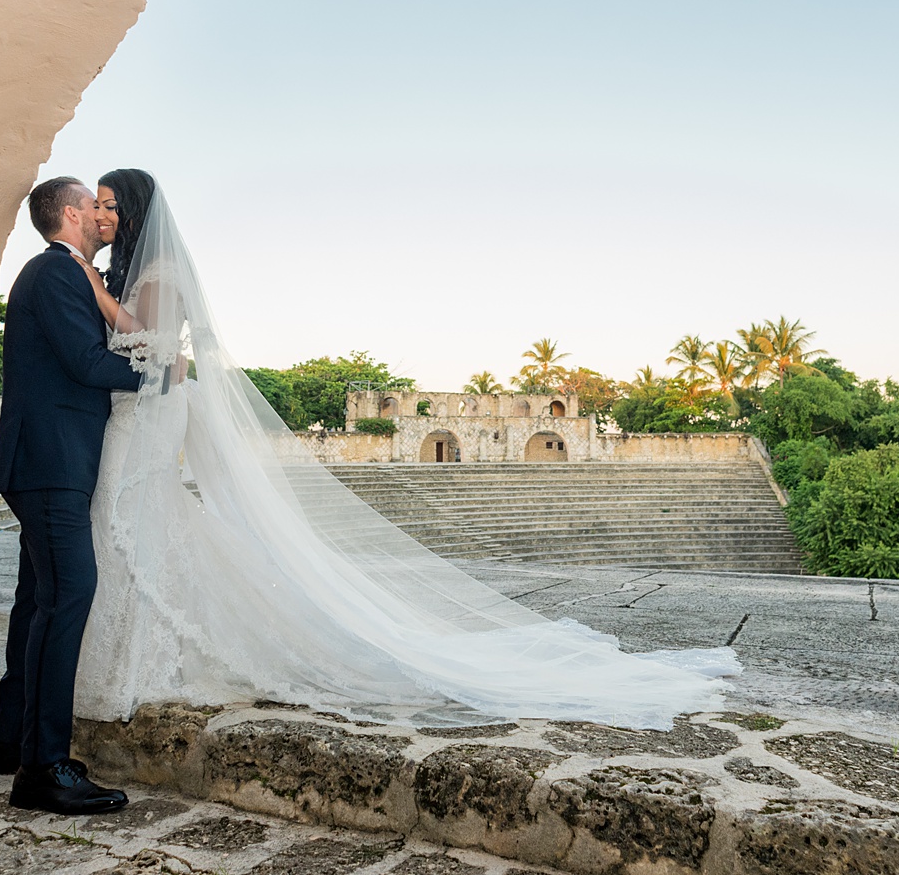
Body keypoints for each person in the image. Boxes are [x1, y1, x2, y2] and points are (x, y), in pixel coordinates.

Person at [61, 169, 738, 732]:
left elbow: (148, 342)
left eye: (112, 204)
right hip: (141, 410)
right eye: (97, 205)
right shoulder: (137, 266)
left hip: (147, 413)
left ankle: (138, 659)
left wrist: (90, 287)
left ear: (135, 208)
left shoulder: (152, 270)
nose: (103, 213)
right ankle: (134, 653)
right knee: (138, 522)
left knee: (132, 518)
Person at [0, 177, 141, 815]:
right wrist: (158, 373)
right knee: (68, 596)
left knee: (35, 601)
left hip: (46, 462)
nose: (103, 213)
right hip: (51, 462)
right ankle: (44, 768)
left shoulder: (68, 275)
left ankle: (9, 744)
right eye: (92, 204)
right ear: (72, 213)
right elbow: (86, 362)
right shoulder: (55, 274)